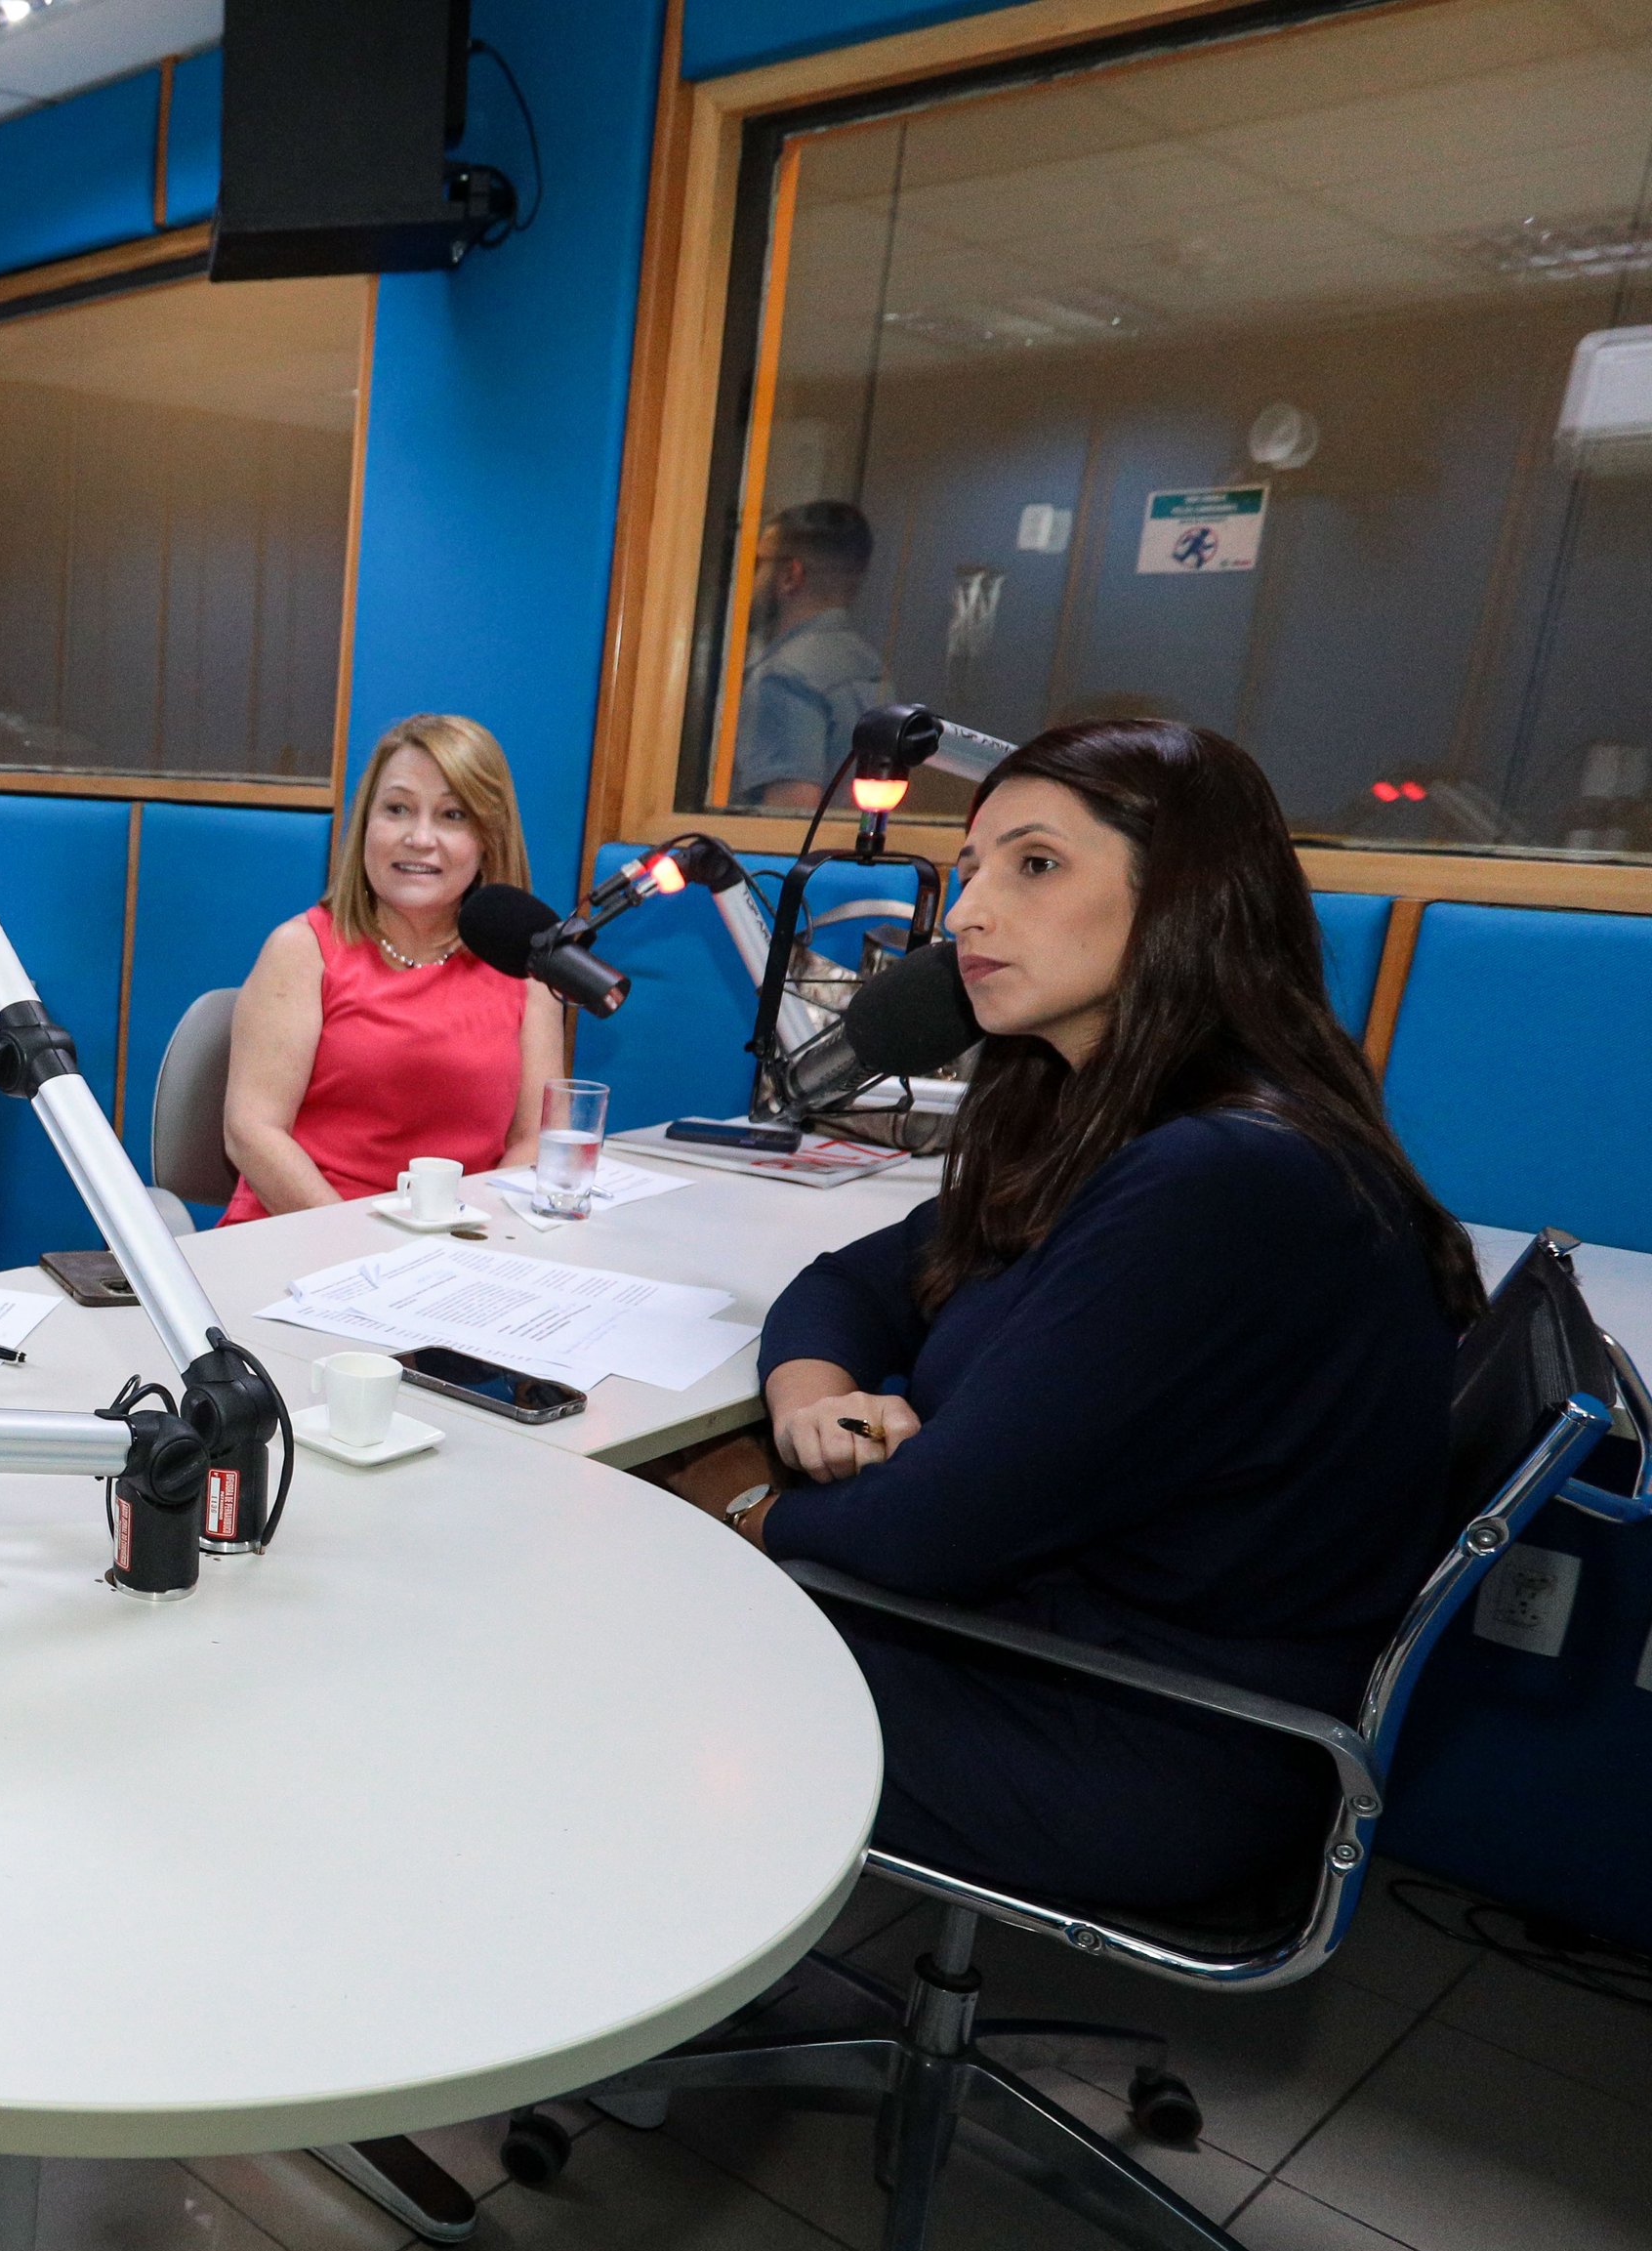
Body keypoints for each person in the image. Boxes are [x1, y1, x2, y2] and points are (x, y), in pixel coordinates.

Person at [676, 720, 1481, 1912]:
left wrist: (740, 1498)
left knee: (611, 1612)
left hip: (1142, 1740)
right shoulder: (1101, 1116)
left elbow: (919, 1539)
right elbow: (853, 1280)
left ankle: (582, 2013)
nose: (965, 914)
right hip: (1064, 1654)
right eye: (975, 868)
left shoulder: (1217, 1180)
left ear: (1182, 905)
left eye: (1036, 866)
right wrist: (808, 1400)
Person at [220, 712, 568, 1222]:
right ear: (366, 825)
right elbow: (252, 1134)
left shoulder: (524, 965)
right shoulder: (301, 950)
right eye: (398, 809)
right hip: (306, 1235)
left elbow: (535, 1138)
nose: (419, 837)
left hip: (459, 1245)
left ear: (488, 838)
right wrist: (362, 1250)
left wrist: (466, 1246)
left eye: (452, 816)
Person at [733, 500, 893, 812]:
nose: (746, 581)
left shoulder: (783, 679)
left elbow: (788, 825)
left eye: (756, 565)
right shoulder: (869, 667)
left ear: (790, 576)